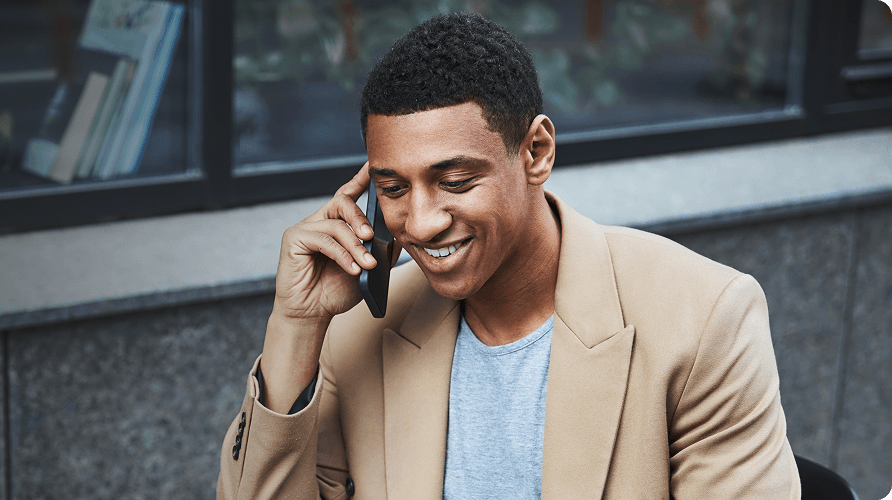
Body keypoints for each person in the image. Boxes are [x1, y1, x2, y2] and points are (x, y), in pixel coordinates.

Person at [217, 12, 799, 500]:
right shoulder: (357, 331)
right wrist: (297, 325)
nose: (421, 222)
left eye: (455, 181)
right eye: (392, 189)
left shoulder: (702, 318)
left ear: (536, 153)